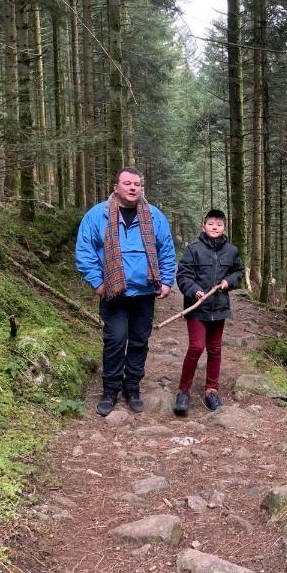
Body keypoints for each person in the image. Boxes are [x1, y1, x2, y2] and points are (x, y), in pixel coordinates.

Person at [75, 168, 175, 416]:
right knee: (115, 340)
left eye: (137, 184)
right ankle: (110, 390)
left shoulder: (154, 216)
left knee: (140, 341)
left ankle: (132, 388)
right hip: (114, 292)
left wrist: (166, 282)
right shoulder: (97, 215)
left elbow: (166, 249)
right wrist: (98, 283)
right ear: (116, 186)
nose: (133, 188)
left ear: (141, 188)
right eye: (127, 183)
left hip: (144, 292)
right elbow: (85, 251)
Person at [173, 209, 244, 414]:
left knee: (214, 349)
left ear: (224, 228)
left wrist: (228, 282)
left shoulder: (231, 251)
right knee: (196, 347)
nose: (215, 227)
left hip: (219, 308)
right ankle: (184, 390)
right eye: (211, 224)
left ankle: (212, 390)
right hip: (197, 308)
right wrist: (194, 290)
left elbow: (238, 271)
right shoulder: (193, 250)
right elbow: (183, 275)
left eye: (219, 224)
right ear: (203, 226)